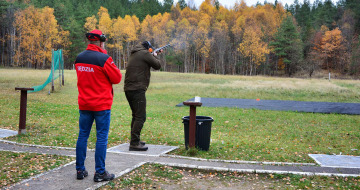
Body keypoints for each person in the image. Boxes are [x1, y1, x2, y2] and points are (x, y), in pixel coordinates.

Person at [75, 29, 122, 182]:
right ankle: (100, 172)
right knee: (101, 138)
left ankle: (80, 170)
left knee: (83, 135)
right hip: (101, 105)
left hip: (84, 103)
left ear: (90, 41)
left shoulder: (79, 58)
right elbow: (117, 78)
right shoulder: (104, 58)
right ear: (101, 42)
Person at [124, 41, 162, 151]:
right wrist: (154, 56)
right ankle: (134, 143)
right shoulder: (145, 54)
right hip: (137, 89)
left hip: (129, 89)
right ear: (148, 48)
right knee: (140, 116)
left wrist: (152, 55)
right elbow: (157, 65)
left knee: (136, 116)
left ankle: (135, 140)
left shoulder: (135, 53)